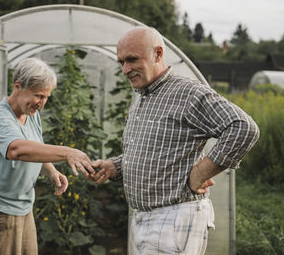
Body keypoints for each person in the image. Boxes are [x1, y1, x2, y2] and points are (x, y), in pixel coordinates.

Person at [93, 27, 260, 255]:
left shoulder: (188, 93)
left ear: (158, 54)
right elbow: (152, 149)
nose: (125, 69)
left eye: (132, 60)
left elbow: (243, 128)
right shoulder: (143, 95)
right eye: (121, 62)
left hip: (174, 217)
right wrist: (116, 166)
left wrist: (199, 174)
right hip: (145, 217)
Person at [0, 57, 95, 255]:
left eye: (46, 97)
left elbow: (36, 147)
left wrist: (51, 170)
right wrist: (67, 152)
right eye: (37, 96)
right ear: (18, 87)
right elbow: (17, 150)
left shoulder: (31, 114)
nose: (41, 103)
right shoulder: (0, 117)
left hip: (23, 206)